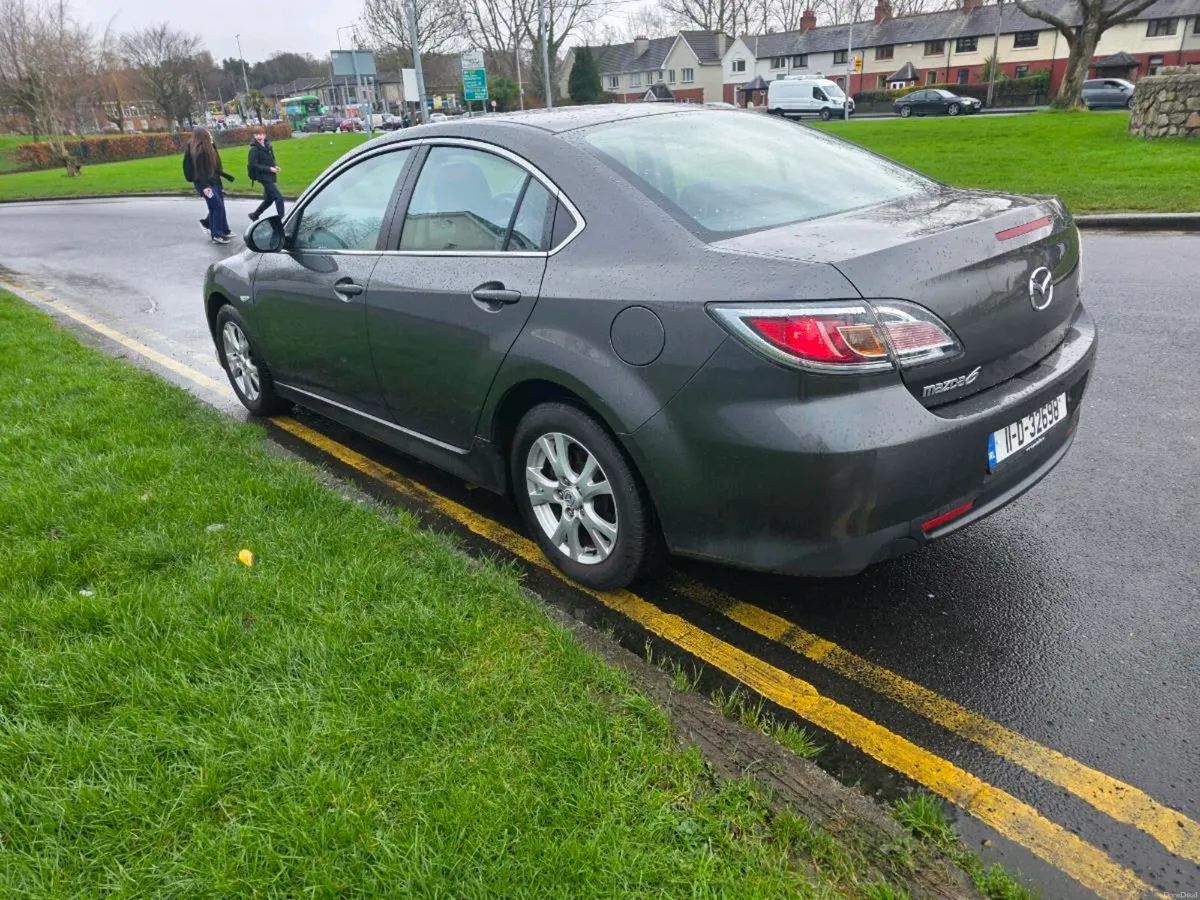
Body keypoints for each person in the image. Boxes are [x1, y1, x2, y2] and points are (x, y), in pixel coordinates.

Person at [183, 126, 234, 244]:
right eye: (208, 134)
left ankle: (222, 229)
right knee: (217, 206)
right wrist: (205, 187)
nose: (211, 136)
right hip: (205, 184)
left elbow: (215, 167)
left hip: (214, 181)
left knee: (218, 205)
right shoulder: (200, 152)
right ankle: (217, 234)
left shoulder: (209, 148)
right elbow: (200, 172)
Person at [246, 126, 284, 222]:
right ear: (254, 136)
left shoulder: (268, 146)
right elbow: (254, 165)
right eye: (257, 135)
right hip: (263, 176)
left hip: (270, 175)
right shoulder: (254, 149)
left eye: (261, 134)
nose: (259, 137)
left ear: (265, 135)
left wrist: (275, 166)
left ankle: (255, 215)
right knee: (278, 197)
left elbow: (271, 158)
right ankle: (283, 219)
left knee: (269, 199)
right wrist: (269, 169)